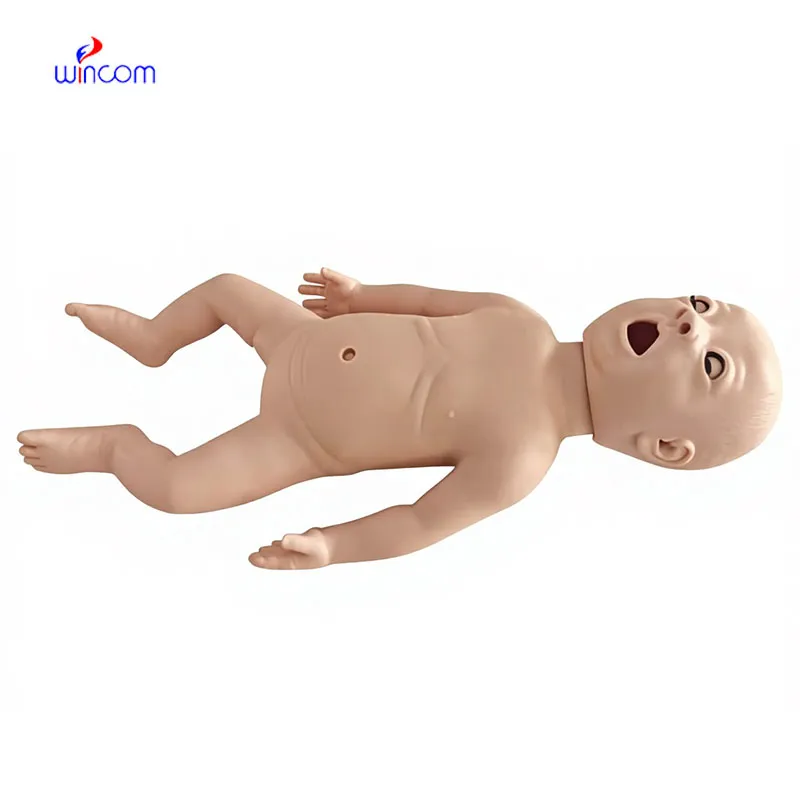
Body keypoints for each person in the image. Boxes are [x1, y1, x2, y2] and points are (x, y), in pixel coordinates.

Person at [17, 269, 782, 570]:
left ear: (665, 446)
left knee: (178, 490)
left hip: (299, 440)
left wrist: (334, 545)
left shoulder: (521, 458)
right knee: (225, 288)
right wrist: (359, 298)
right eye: (703, 302)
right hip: (298, 338)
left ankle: (114, 447)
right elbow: (428, 303)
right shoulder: (521, 320)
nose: (692, 321)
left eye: (713, 363)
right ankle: (155, 339)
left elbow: (419, 523)